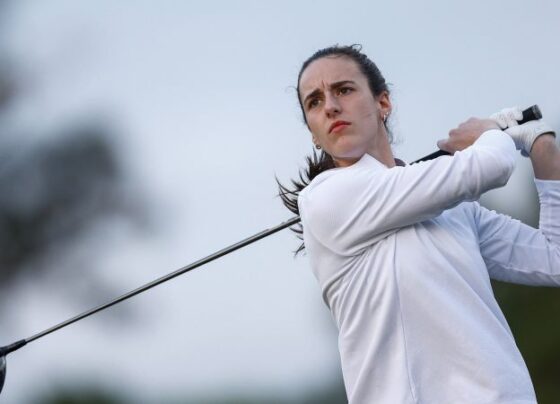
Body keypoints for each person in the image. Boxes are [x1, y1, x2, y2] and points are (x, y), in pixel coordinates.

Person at [278, 44, 560, 404]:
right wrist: (491, 133)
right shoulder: (326, 198)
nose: (330, 105)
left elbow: (554, 258)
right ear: (314, 134)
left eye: (344, 90)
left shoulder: (453, 208)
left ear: (383, 103)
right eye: (314, 102)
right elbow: (490, 166)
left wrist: (541, 143)